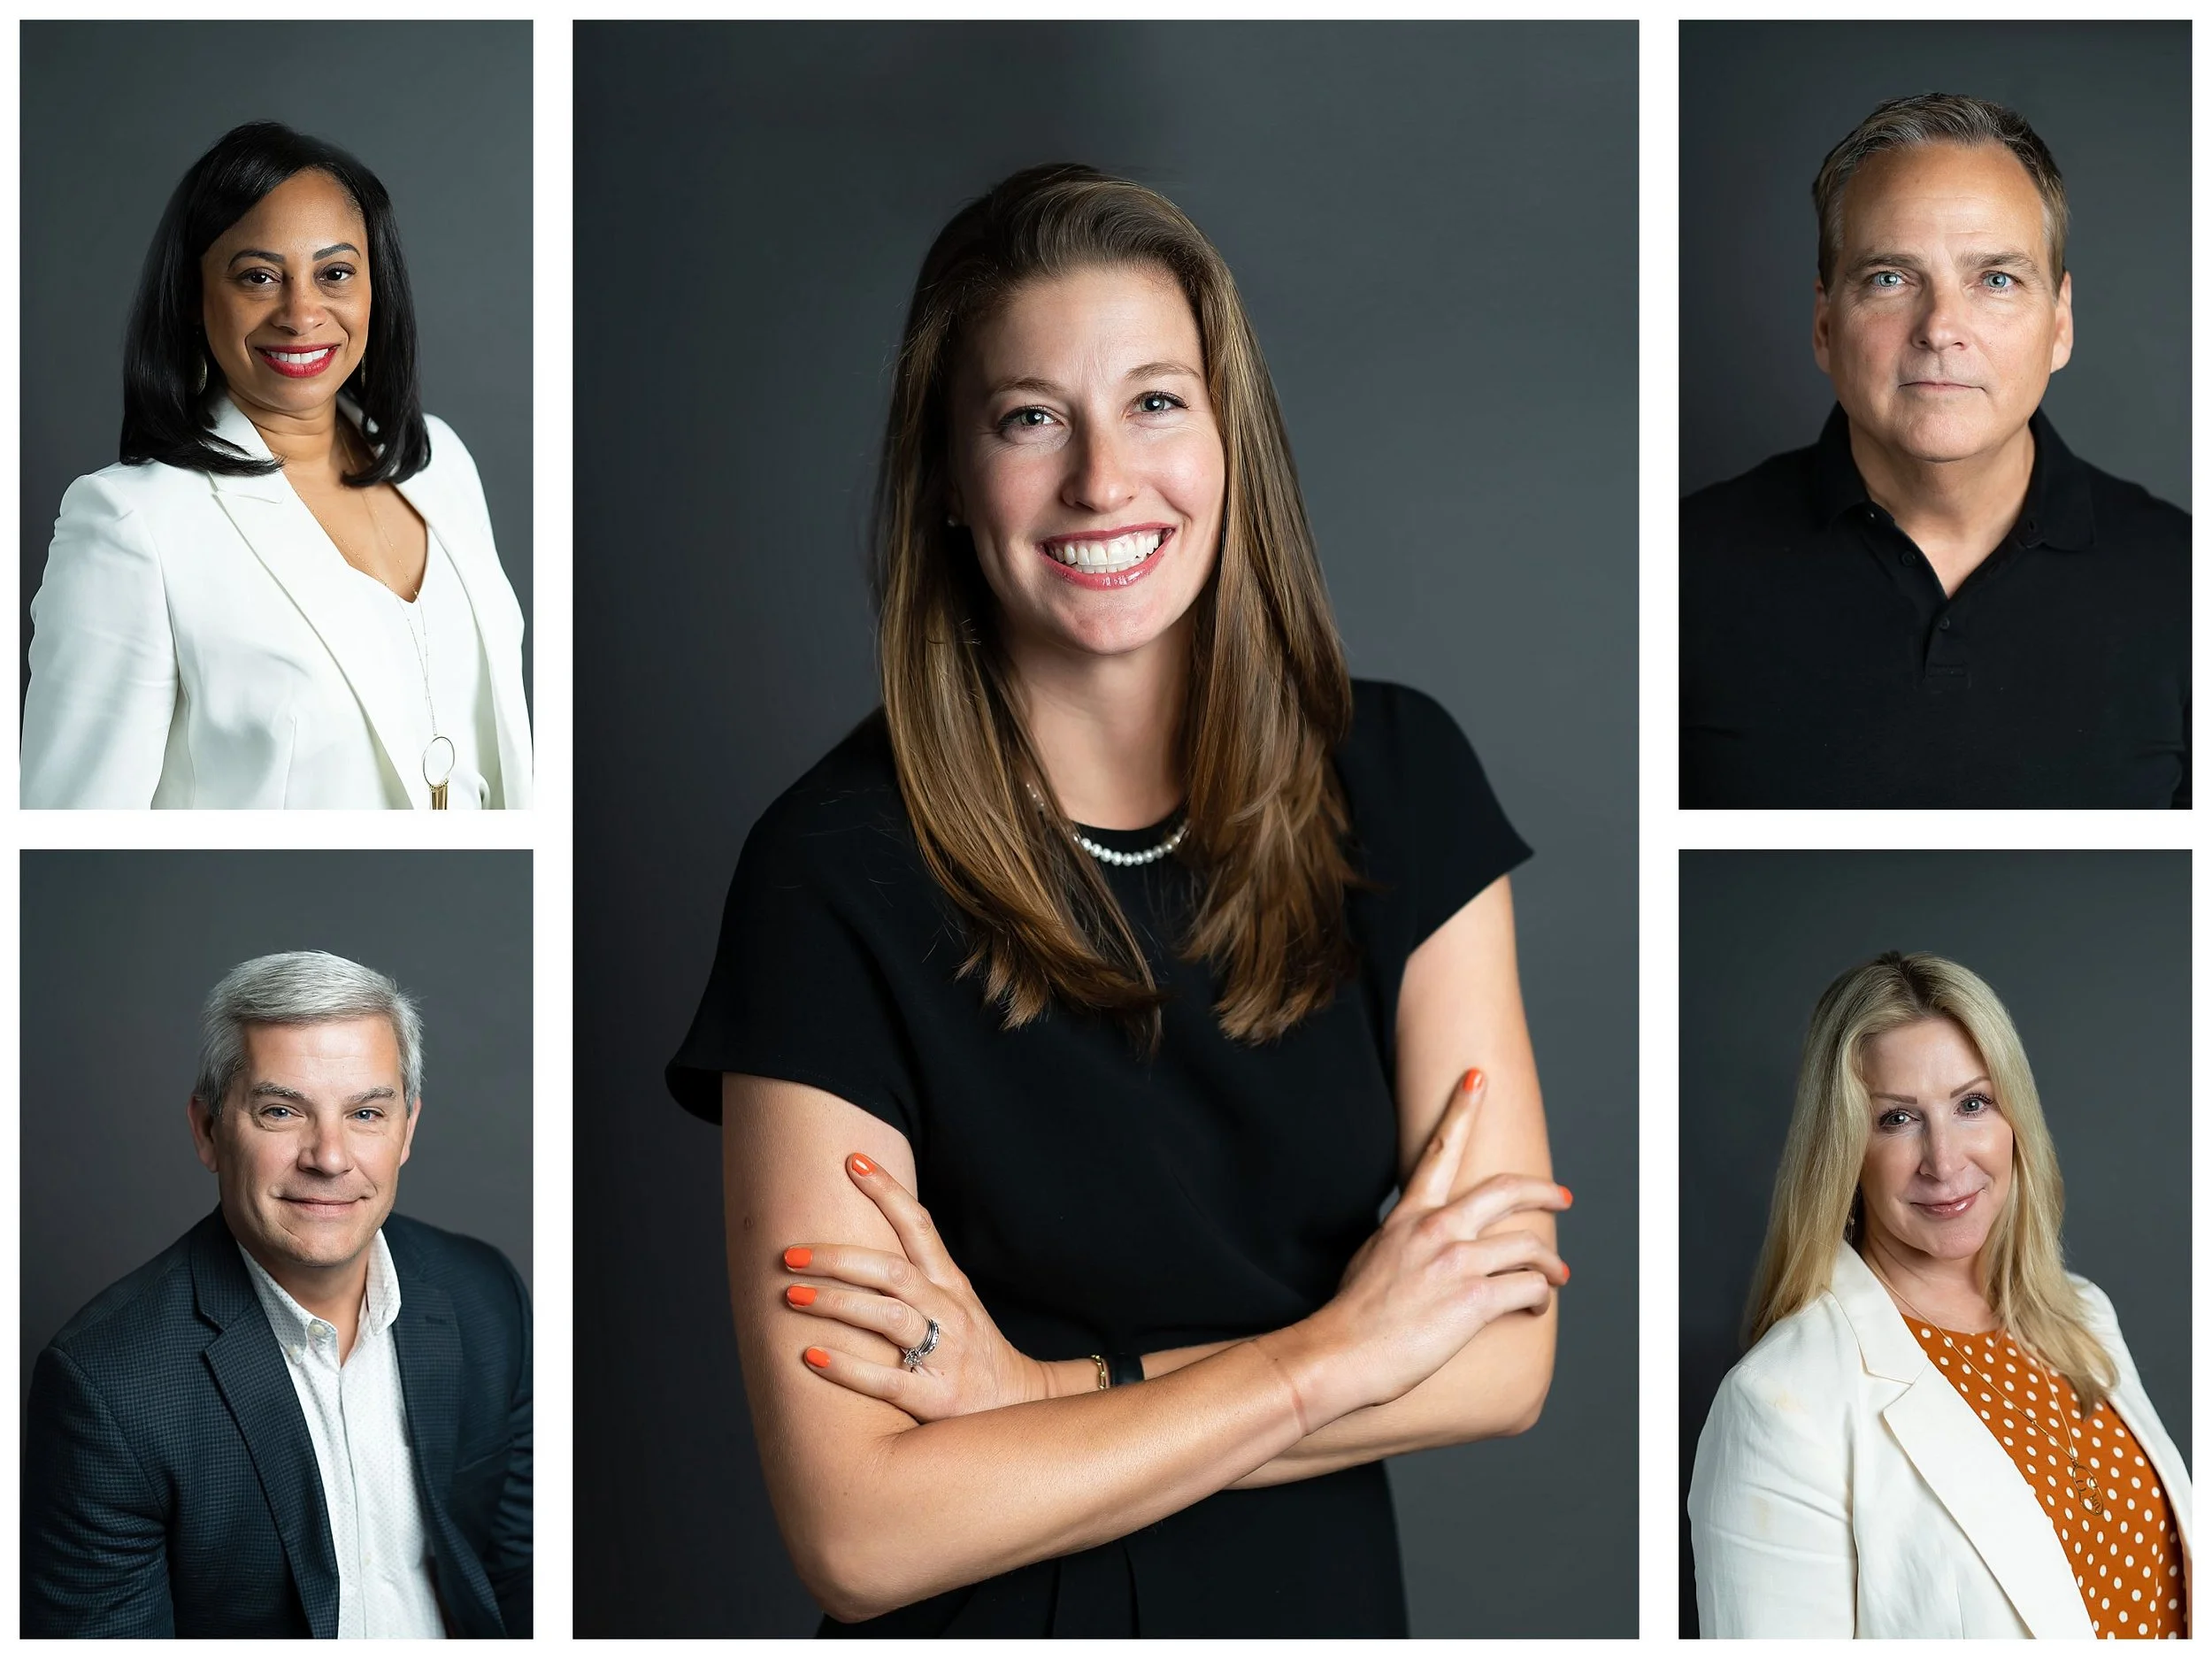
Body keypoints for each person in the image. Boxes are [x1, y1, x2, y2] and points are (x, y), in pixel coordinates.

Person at [667, 163, 1570, 1638]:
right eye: (1032, 419)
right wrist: (1331, 1357)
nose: (1102, 480)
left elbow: (1499, 1363)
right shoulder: (829, 876)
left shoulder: (1399, 778)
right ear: (952, 479)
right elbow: (862, 1530)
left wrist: (1036, 1401)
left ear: (1232, 442)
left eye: (1156, 402)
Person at [1680, 93, 2188, 809]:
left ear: (2061, 324)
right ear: (1826, 324)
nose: (1941, 327)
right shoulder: (1678, 569)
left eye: (1997, 279)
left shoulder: (2186, 579)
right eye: (1890, 278)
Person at [21, 120, 532, 809]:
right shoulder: (131, 525)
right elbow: (70, 820)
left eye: (335, 273)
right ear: (197, 299)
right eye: (259, 276)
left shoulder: (441, 464)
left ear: (374, 288)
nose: (302, 313)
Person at [22, 950, 532, 1638]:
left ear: (406, 1129)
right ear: (208, 1130)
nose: (328, 1155)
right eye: (282, 1109)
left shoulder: (484, 1296)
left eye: (366, 1113)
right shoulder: (107, 1387)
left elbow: (524, 1581)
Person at [1688, 951, 2190, 1638]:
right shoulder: (1781, 1402)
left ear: (2015, 1120)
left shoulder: (2083, 1314)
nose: (1946, 1160)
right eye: (1897, 1118)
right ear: (1842, 1147)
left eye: (1972, 1103)